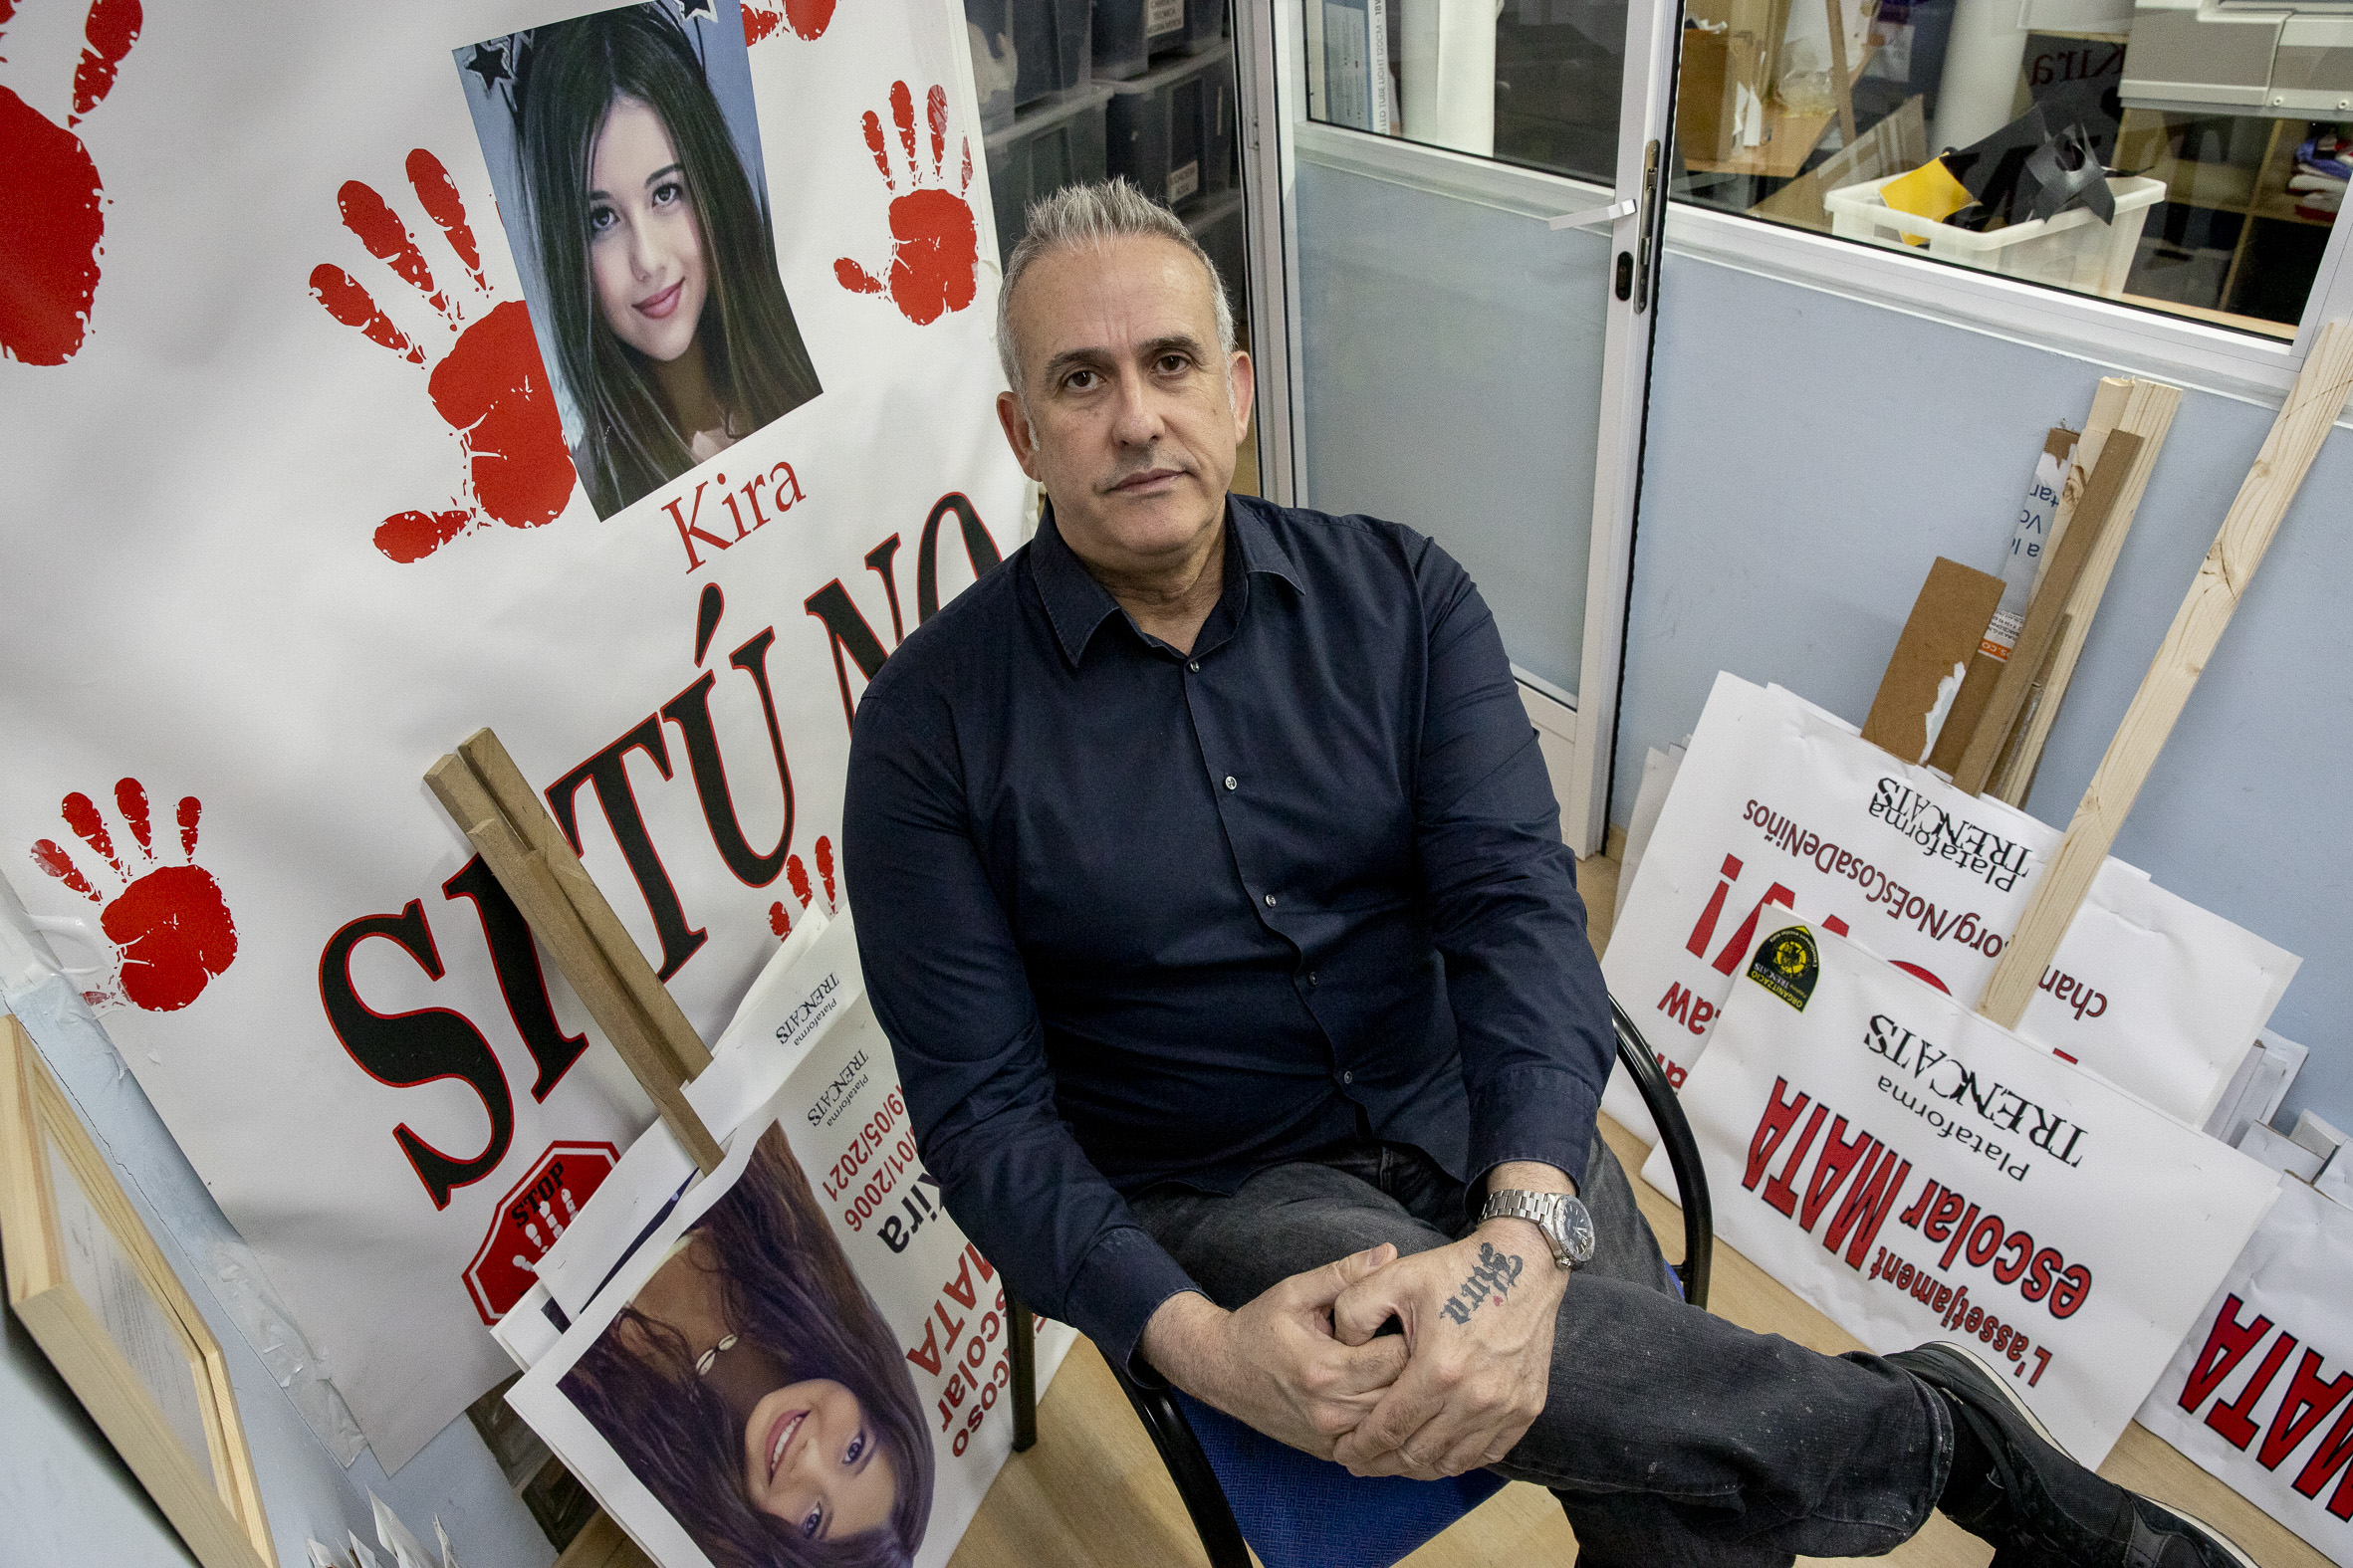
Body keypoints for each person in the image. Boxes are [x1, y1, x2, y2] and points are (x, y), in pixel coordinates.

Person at [840, 177, 2256, 1566]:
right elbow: (983, 1120)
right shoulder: (927, 731)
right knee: (1406, 1343)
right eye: (1080, 381)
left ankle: (1917, 1440)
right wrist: (1200, 1342)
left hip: (1474, 1098)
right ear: (1024, 435)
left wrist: (1521, 1221)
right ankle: (1943, 1441)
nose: (1138, 417)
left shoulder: (1402, 598)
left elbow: (1515, 906)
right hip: (1223, 1178)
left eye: (1169, 363)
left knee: (1661, 1503)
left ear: (1239, 390)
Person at [562, 1124, 934, 1568]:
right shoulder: (783, 1234)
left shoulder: (632, 1440)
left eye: (813, 1521)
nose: (809, 1461)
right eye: (853, 1450)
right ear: (875, 1398)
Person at [515, 5, 821, 517]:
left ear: (710, 184)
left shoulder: (812, 353)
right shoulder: (589, 493)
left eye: (666, 193)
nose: (648, 259)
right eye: (601, 220)